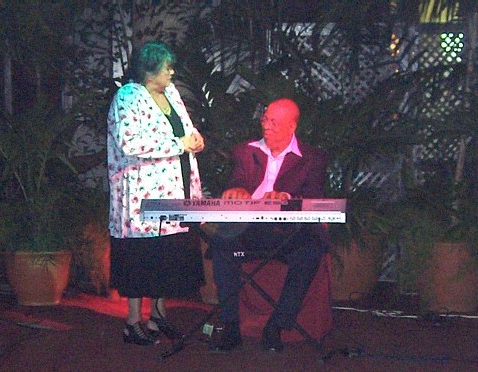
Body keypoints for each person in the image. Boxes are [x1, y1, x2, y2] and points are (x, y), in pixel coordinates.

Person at [207, 98, 329, 353]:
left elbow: (315, 198)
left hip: (289, 232)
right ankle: (230, 327)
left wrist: (286, 199)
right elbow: (238, 180)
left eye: (275, 122)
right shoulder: (245, 151)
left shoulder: (311, 158)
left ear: (292, 127)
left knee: (311, 250)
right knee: (221, 246)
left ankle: (276, 326)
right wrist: (238, 190)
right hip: (250, 229)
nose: (267, 126)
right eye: (265, 119)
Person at [107, 41, 205, 346]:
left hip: (175, 187)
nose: (172, 72)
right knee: (141, 258)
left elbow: (186, 131)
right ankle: (133, 321)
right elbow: (129, 143)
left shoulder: (172, 94)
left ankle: (158, 315)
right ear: (150, 70)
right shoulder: (127, 97)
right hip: (141, 193)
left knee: (167, 254)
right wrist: (179, 144)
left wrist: (196, 140)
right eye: (167, 67)